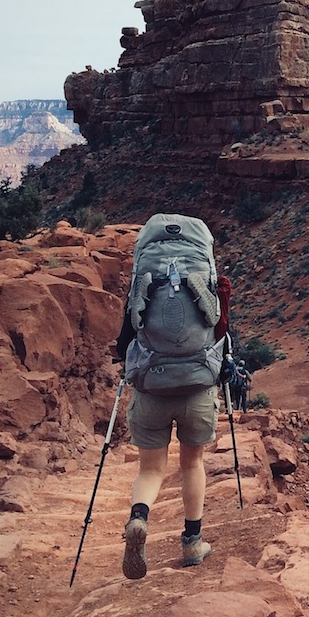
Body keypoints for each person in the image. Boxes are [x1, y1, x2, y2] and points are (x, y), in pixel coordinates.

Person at [114, 214, 225, 581]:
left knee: (151, 469)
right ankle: (192, 542)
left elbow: (123, 342)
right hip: (196, 387)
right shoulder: (205, 280)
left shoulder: (143, 280)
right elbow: (220, 329)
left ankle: (139, 517)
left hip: (151, 386)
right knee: (191, 464)